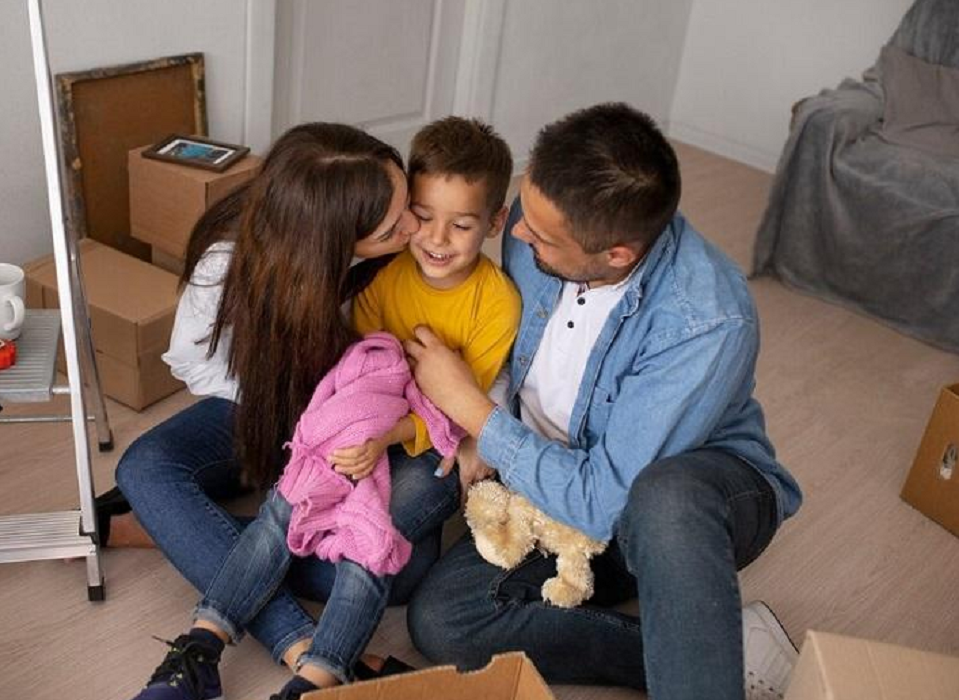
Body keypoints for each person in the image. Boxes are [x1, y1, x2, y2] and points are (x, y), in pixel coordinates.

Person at [403, 103, 804, 700]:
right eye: (524, 212)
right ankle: (715, 649)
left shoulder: (706, 320)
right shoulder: (537, 222)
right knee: (443, 621)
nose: (516, 234)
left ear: (616, 253)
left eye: (540, 237)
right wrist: (488, 411)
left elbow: (601, 502)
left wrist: (475, 414)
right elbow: (509, 343)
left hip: (674, 504)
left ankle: (699, 664)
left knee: (666, 499)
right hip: (549, 482)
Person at [116, 122, 461, 700]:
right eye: (391, 227)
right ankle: (301, 646)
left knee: (405, 569)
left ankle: (175, 531)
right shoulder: (228, 263)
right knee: (144, 468)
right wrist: (295, 408)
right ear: (328, 240)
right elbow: (192, 363)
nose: (414, 226)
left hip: (367, 430)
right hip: (270, 412)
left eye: (407, 204)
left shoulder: (409, 258)